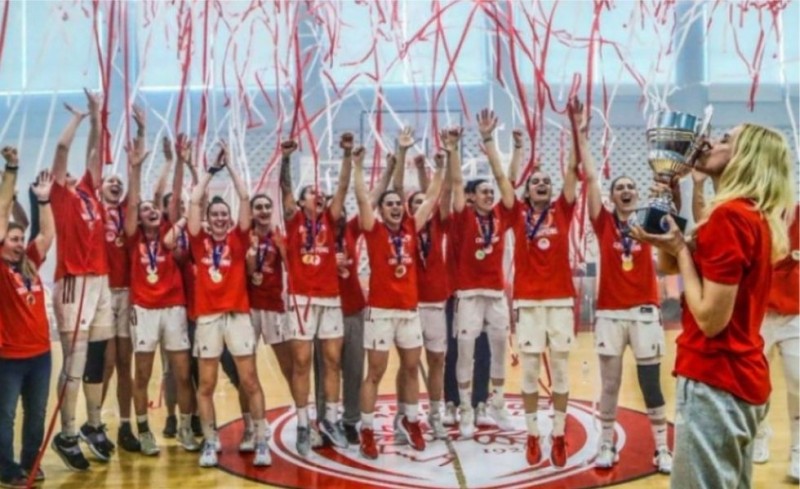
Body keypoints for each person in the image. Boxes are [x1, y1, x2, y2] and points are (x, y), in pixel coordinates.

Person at [631, 123, 795, 488]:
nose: (709, 142)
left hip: (716, 378)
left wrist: (679, 249)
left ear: (745, 158)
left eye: (724, 140)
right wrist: (671, 211)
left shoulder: (730, 217)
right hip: (736, 378)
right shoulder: (747, 213)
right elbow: (669, 266)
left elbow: (709, 319)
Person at [579, 100, 672, 472]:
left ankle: (662, 449)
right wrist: (582, 137)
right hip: (610, 314)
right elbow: (590, 179)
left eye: (632, 186)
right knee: (610, 383)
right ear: (613, 195)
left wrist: (667, 184)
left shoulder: (649, 220)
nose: (627, 190)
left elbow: (674, 229)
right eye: (620, 187)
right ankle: (606, 444)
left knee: (650, 383)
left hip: (645, 312)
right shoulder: (603, 222)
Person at [353, 142, 444, 459]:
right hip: (380, 312)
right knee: (375, 372)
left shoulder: (410, 226)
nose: (394, 207)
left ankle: (411, 420)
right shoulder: (373, 229)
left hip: (408, 312)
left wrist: (440, 167)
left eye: (397, 203)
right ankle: (366, 429)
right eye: (388, 204)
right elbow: (363, 198)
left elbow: (431, 197)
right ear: (380, 210)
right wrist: (358, 166)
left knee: (410, 367)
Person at [187, 143, 270, 468]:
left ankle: (261, 440)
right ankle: (211, 442)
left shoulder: (238, 238)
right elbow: (194, 201)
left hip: (237, 317)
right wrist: (211, 170)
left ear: (230, 219)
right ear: (208, 220)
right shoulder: (199, 240)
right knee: (206, 385)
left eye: (225, 214)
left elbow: (245, 198)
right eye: (215, 215)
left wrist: (231, 165)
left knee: (250, 381)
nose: (221, 218)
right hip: (208, 319)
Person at [510, 101, 580, 467]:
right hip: (527, 302)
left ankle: (559, 434)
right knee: (530, 371)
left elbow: (572, 170)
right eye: (535, 182)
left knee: (563, 370)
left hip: (560, 301)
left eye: (546, 182)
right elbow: (505, 183)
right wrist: (506, 147)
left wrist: (575, 126)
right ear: (526, 192)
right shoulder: (517, 215)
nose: (542, 184)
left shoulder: (562, 211)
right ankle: (532, 434)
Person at [49, 92, 116, 470]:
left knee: (96, 359)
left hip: (100, 281)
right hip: (74, 282)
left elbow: (95, 151)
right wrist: (77, 118)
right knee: (73, 364)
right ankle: (67, 432)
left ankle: (93, 423)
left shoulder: (89, 192)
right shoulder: (60, 197)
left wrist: (96, 115)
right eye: (67, 174)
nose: (73, 174)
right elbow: (62, 149)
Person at [123, 124, 199, 456]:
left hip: (174, 308)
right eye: (145, 210)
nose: (151, 211)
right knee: (141, 374)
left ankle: (185, 428)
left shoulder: (169, 227)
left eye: (153, 208)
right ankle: (144, 431)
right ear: (138, 218)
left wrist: (180, 161)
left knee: (182, 374)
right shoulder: (132, 238)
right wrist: (135, 169)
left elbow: (175, 195)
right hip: (144, 310)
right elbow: (133, 203)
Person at [279, 139, 349, 454]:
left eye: (320, 193)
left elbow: (343, 188)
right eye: (312, 193)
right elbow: (285, 189)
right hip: (301, 300)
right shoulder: (293, 219)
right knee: (302, 362)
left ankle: (331, 420)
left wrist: (345, 154)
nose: (318, 196)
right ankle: (303, 423)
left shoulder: (329, 220)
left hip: (330, 298)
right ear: (300, 201)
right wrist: (285, 159)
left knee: (332, 360)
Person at [450, 109, 516, 438]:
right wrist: (453, 149)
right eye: (484, 192)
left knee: (499, 349)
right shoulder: (463, 217)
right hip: (468, 294)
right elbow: (456, 182)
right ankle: (465, 409)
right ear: (471, 197)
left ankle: (497, 403)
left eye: (491, 192)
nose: (490, 195)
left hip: (495, 293)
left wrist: (489, 139)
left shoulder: (503, 215)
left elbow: (505, 181)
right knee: (465, 352)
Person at [0, 153, 54, 488]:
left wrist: (44, 200)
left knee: (36, 414)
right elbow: (3, 207)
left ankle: (30, 461)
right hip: (9, 357)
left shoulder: (30, 263)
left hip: (41, 355)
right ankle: (7, 469)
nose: (20, 244)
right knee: (5, 415)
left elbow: (47, 234)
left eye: (22, 239)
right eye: (14, 239)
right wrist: (12, 170)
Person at [753, 204, 799, 481]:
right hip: (759, 312)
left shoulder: (796, 213)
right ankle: (760, 434)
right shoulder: (753, 214)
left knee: (798, 381)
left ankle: (797, 449)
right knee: (756, 381)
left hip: (795, 312)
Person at [241, 193, 290, 451]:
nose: (263, 210)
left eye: (267, 206)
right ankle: (250, 426)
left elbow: (292, 268)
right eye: (258, 207)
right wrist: (249, 254)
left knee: (289, 367)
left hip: (273, 308)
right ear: (251, 212)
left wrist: (283, 249)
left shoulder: (278, 236)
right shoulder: (243, 236)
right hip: (247, 309)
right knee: (245, 372)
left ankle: (304, 418)